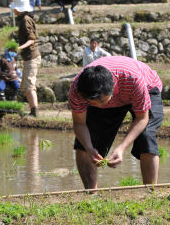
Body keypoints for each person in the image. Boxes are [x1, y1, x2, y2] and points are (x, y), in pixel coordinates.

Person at [69, 56, 164, 189]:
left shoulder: (133, 80)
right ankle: (91, 194)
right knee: (84, 143)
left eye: (101, 101)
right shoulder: (78, 88)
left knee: (146, 135)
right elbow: (79, 124)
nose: (97, 105)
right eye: (92, 103)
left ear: (112, 88)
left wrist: (121, 148)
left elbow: (142, 118)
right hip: (114, 94)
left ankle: (150, 192)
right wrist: (90, 148)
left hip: (147, 87)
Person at [10, 0, 40, 117]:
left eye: (15, 8)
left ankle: (34, 112)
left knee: (29, 86)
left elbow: (32, 39)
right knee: (26, 86)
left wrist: (19, 48)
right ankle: (33, 110)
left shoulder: (25, 20)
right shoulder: (25, 19)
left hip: (32, 56)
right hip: (29, 57)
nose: (14, 10)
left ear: (20, 9)